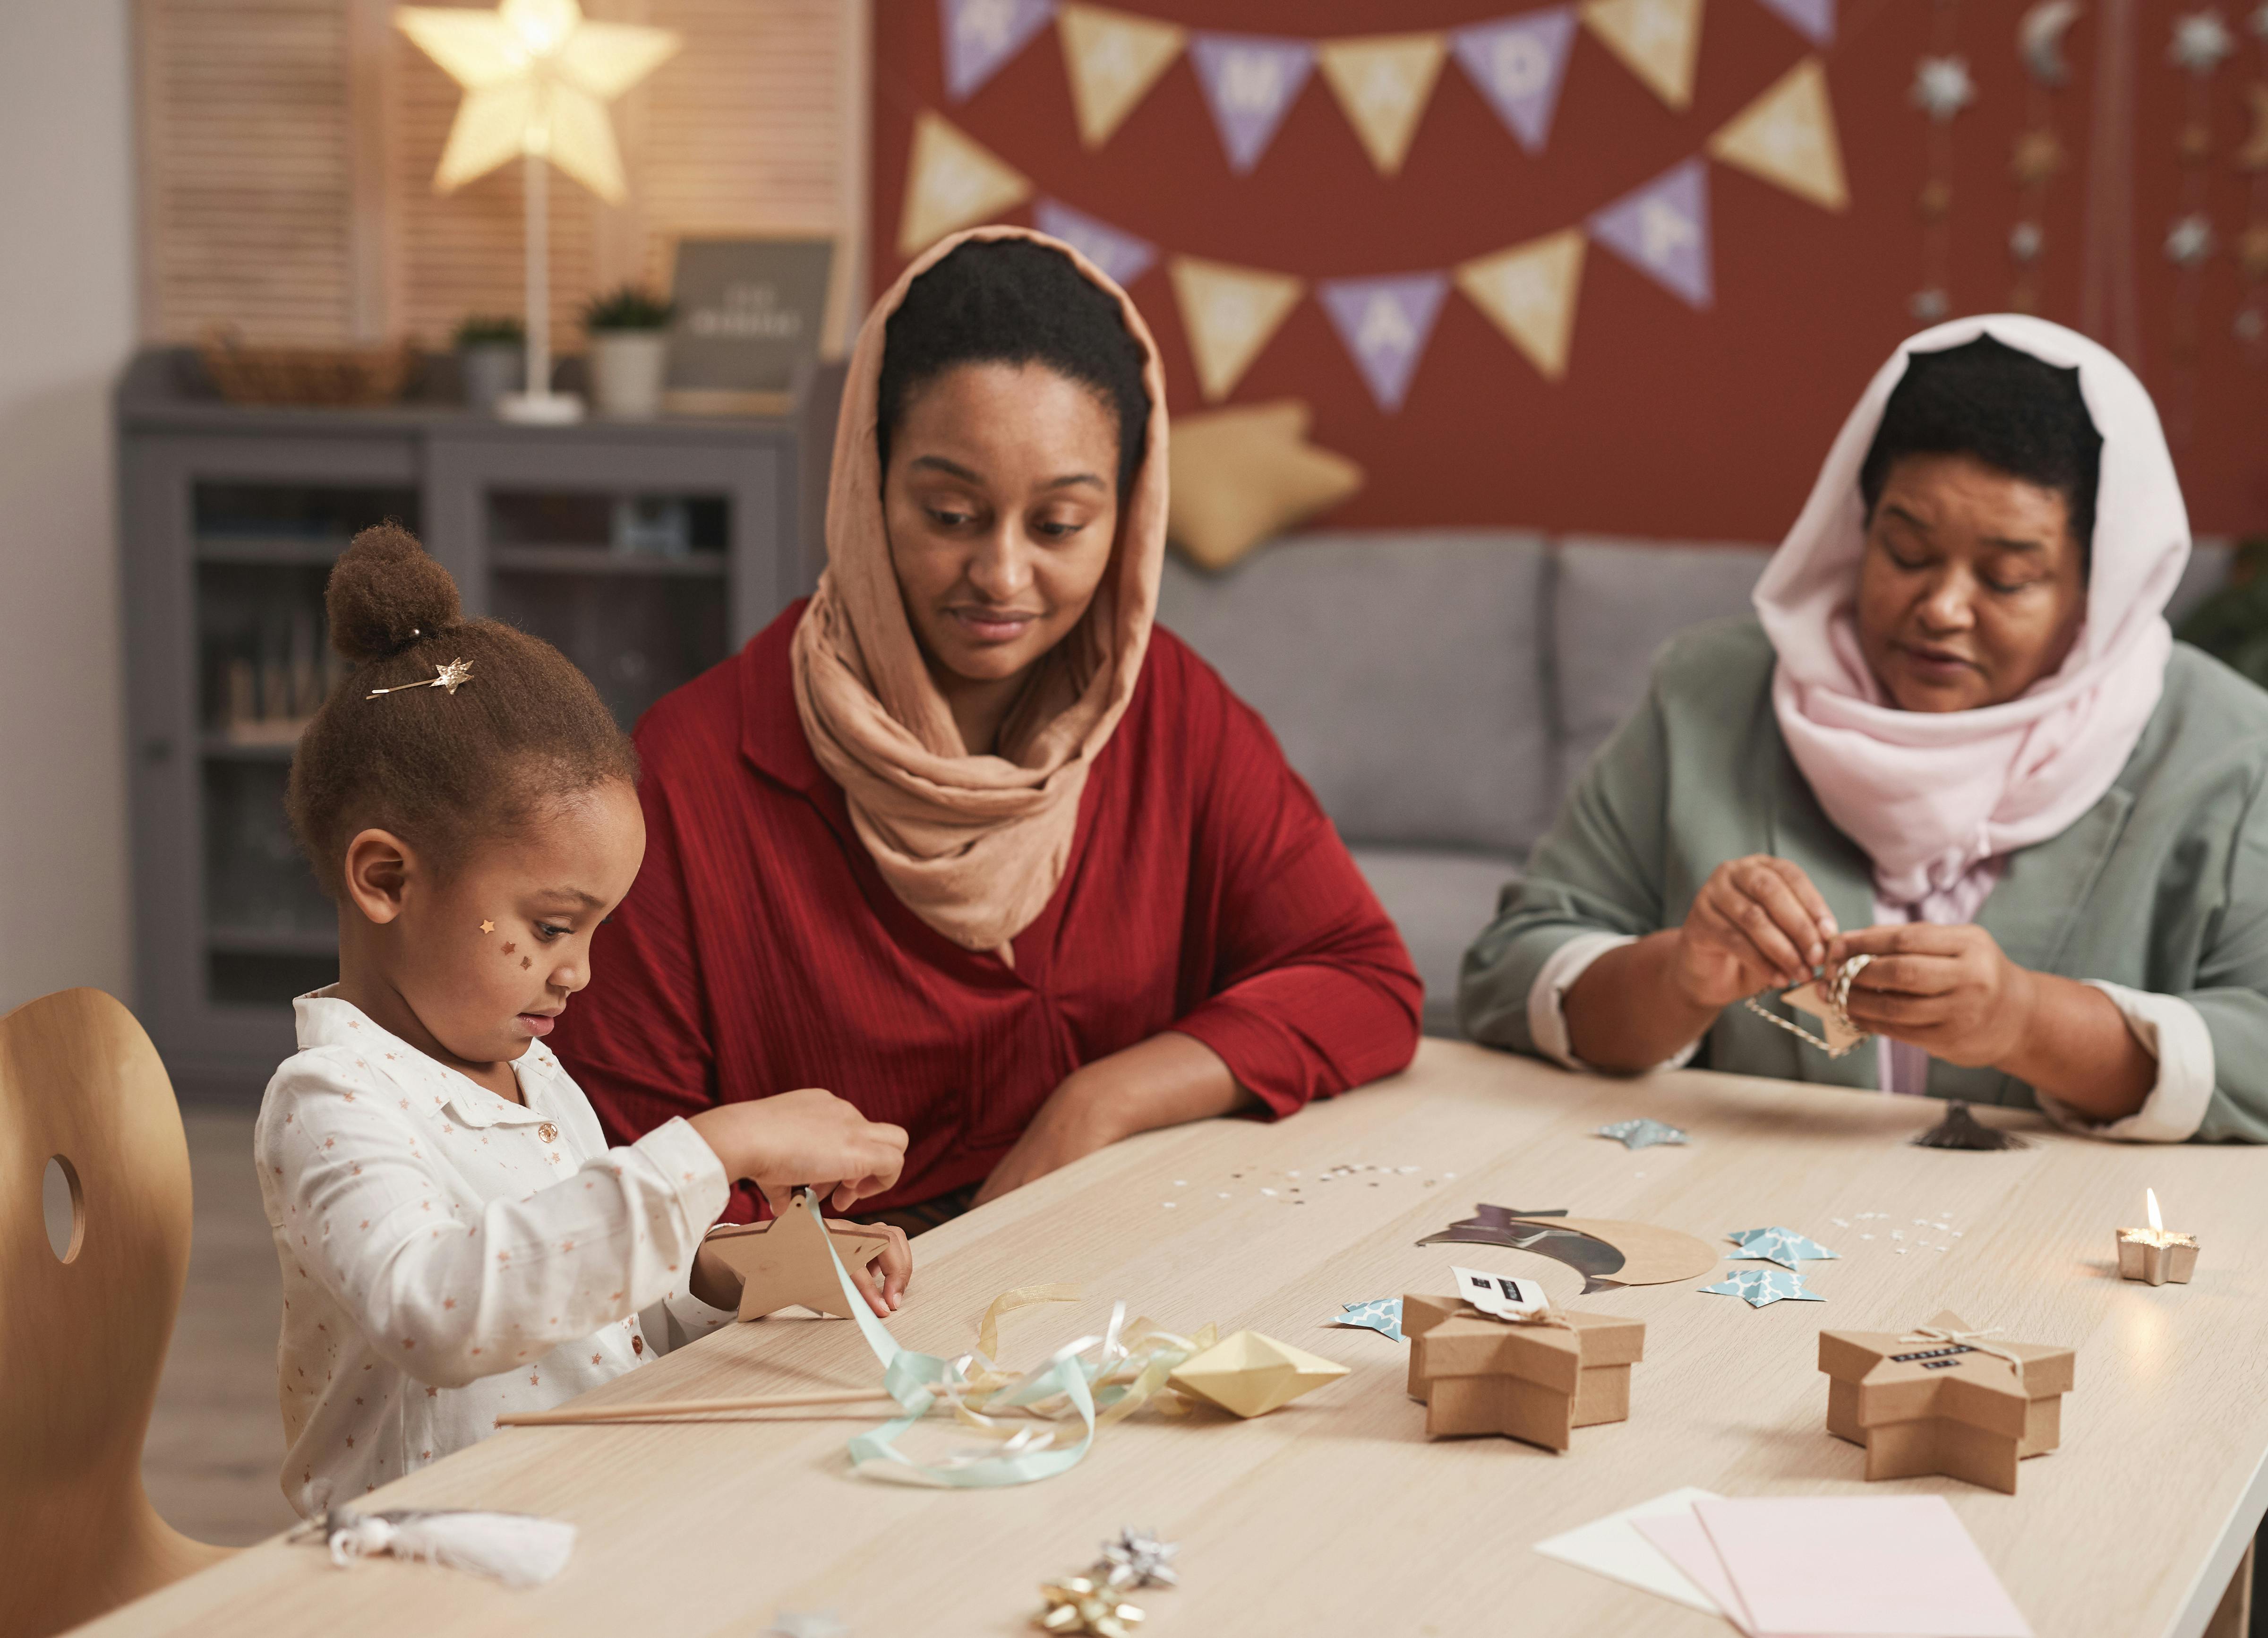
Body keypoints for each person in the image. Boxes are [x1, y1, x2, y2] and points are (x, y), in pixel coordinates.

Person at [1459, 317, 2268, 1637]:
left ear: (2097, 583)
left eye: (2011, 572)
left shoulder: (2228, 745)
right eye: (1907, 551)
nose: (1939, 606)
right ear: (1850, 530)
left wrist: (2034, 1019)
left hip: (2098, 1312)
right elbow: (1509, 972)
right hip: (1755, 1294)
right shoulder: (1708, 696)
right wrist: (1678, 971)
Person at [553, 228, 1420, 1231]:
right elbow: (622, 1173)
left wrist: (1099, 1101)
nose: (1003, 577)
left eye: (1057, 526)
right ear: (867, 483)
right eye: (952, 513)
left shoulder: (1162, 707)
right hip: (819, 1323)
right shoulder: (690, 775)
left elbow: (1364, 980)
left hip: (1110, 1275)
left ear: (1128, 516)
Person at [258, 525, 912, 1515]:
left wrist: (772, 1271)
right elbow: (436, 1310)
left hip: (585, 1505)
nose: (581, 974)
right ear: (387, 879)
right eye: (553, 927)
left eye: (595, 930)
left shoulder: (529, 1067)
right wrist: (716, 1143)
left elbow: (601, 1307)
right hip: (425, 1564)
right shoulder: (331, 1101)